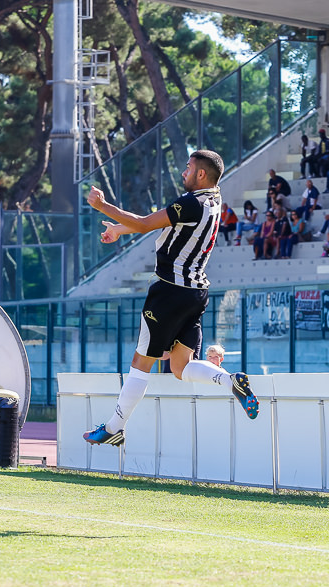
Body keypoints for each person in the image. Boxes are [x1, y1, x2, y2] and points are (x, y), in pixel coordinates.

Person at [81, 150, 259, 447]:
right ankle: (230, 381)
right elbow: (162, 223)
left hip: (169, 291)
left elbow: (144, 222)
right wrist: (119, 229)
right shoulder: (215, 200)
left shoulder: (190, 202)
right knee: (180, 367)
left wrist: (102, 206)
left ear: (201, 174)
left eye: (188, 167)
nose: (183, 172)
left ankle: (114, 427)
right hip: (197, 293)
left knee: (141, 362)